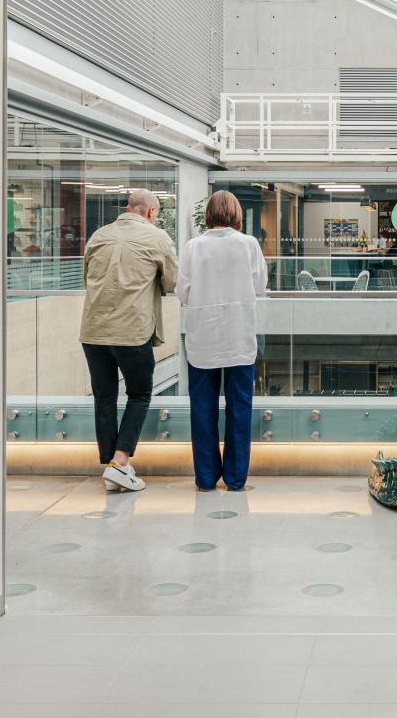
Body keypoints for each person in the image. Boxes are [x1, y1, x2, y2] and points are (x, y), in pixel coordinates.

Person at [79, 187, 177, 493]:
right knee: (140, 394)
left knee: (104, 398)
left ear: (127, 207)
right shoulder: (157, 237)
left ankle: (112, 467)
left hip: (93, 331)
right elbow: (172, 281)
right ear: (150, 212)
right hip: (131, 332)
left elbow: (87, 277)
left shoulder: (98, 235)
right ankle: (120, 462)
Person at [178, 190, 267, 491]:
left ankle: (205, 478)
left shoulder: (194, 246)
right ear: (236, 214)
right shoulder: (249, 244)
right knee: (239, 409)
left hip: (203, 338)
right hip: (239, 336)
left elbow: (183, 293)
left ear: (209, 214)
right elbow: (260, 285)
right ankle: (236, 478)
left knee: (202, 409)